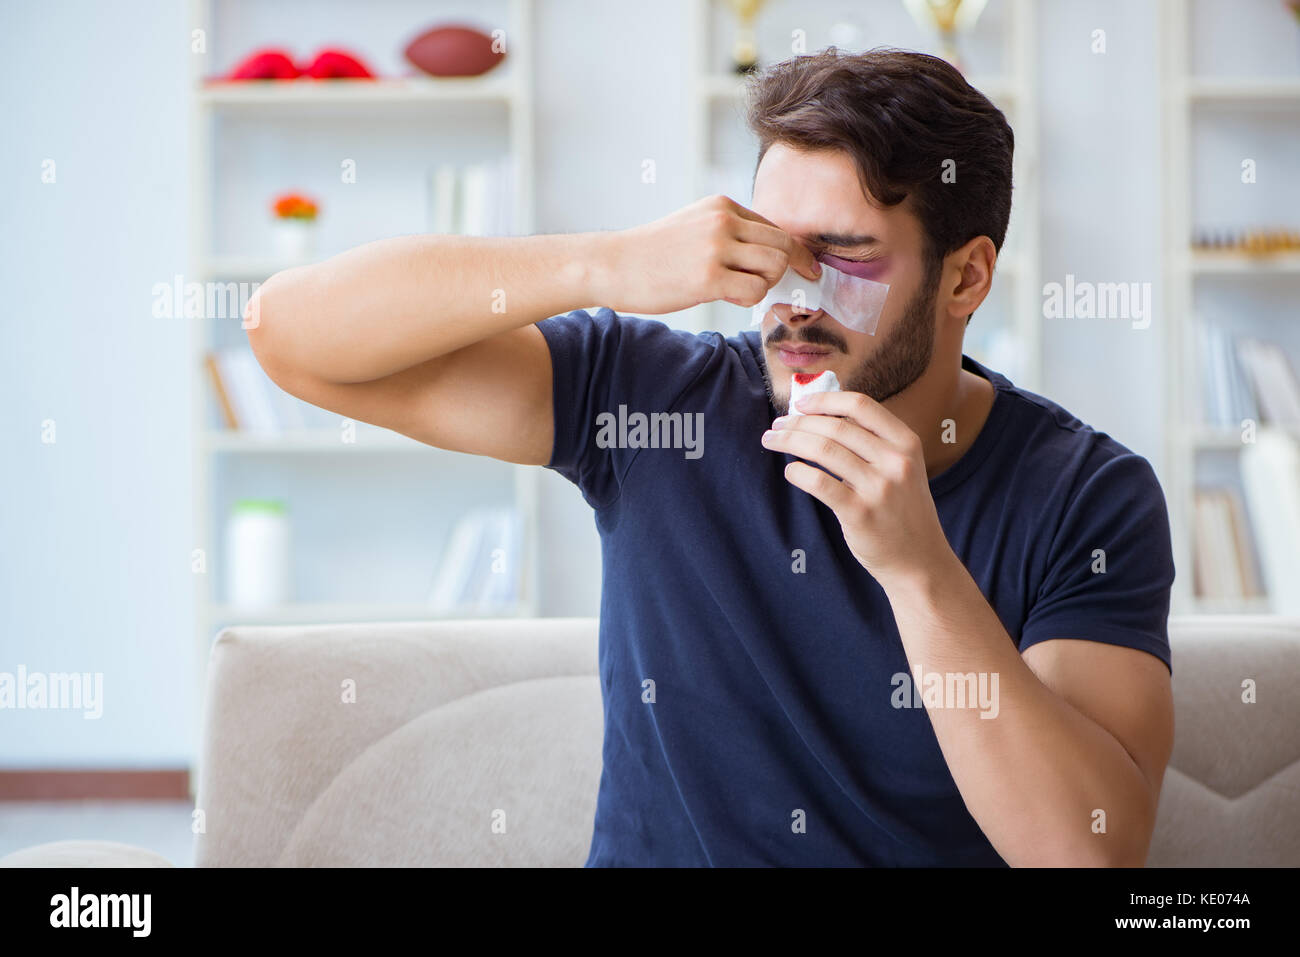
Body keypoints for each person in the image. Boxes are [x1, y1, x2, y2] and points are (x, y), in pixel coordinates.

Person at [245, 48, 1175, 867]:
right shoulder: (653, 400)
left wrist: (922, 574)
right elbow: (288, 334)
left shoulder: (1088, 494)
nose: (791, 298)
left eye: (843, 258)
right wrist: (601, 262)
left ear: (965, 276)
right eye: (775, 250)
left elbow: (1087, 851)